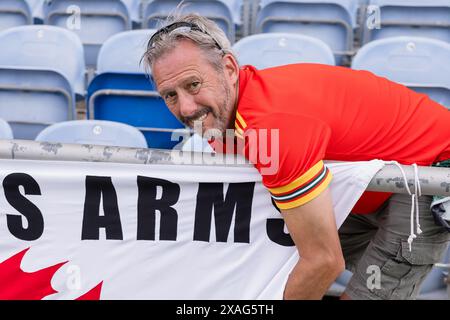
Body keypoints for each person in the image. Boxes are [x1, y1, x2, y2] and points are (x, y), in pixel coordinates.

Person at [142, 13, 450, 300]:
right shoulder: (228, 115)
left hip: (427, 175)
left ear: (230, 70)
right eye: (170, 95)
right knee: (276, 257)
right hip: (378, 180)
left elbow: (324, 261)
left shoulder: (270, 130)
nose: (185, 109)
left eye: (193, 85)